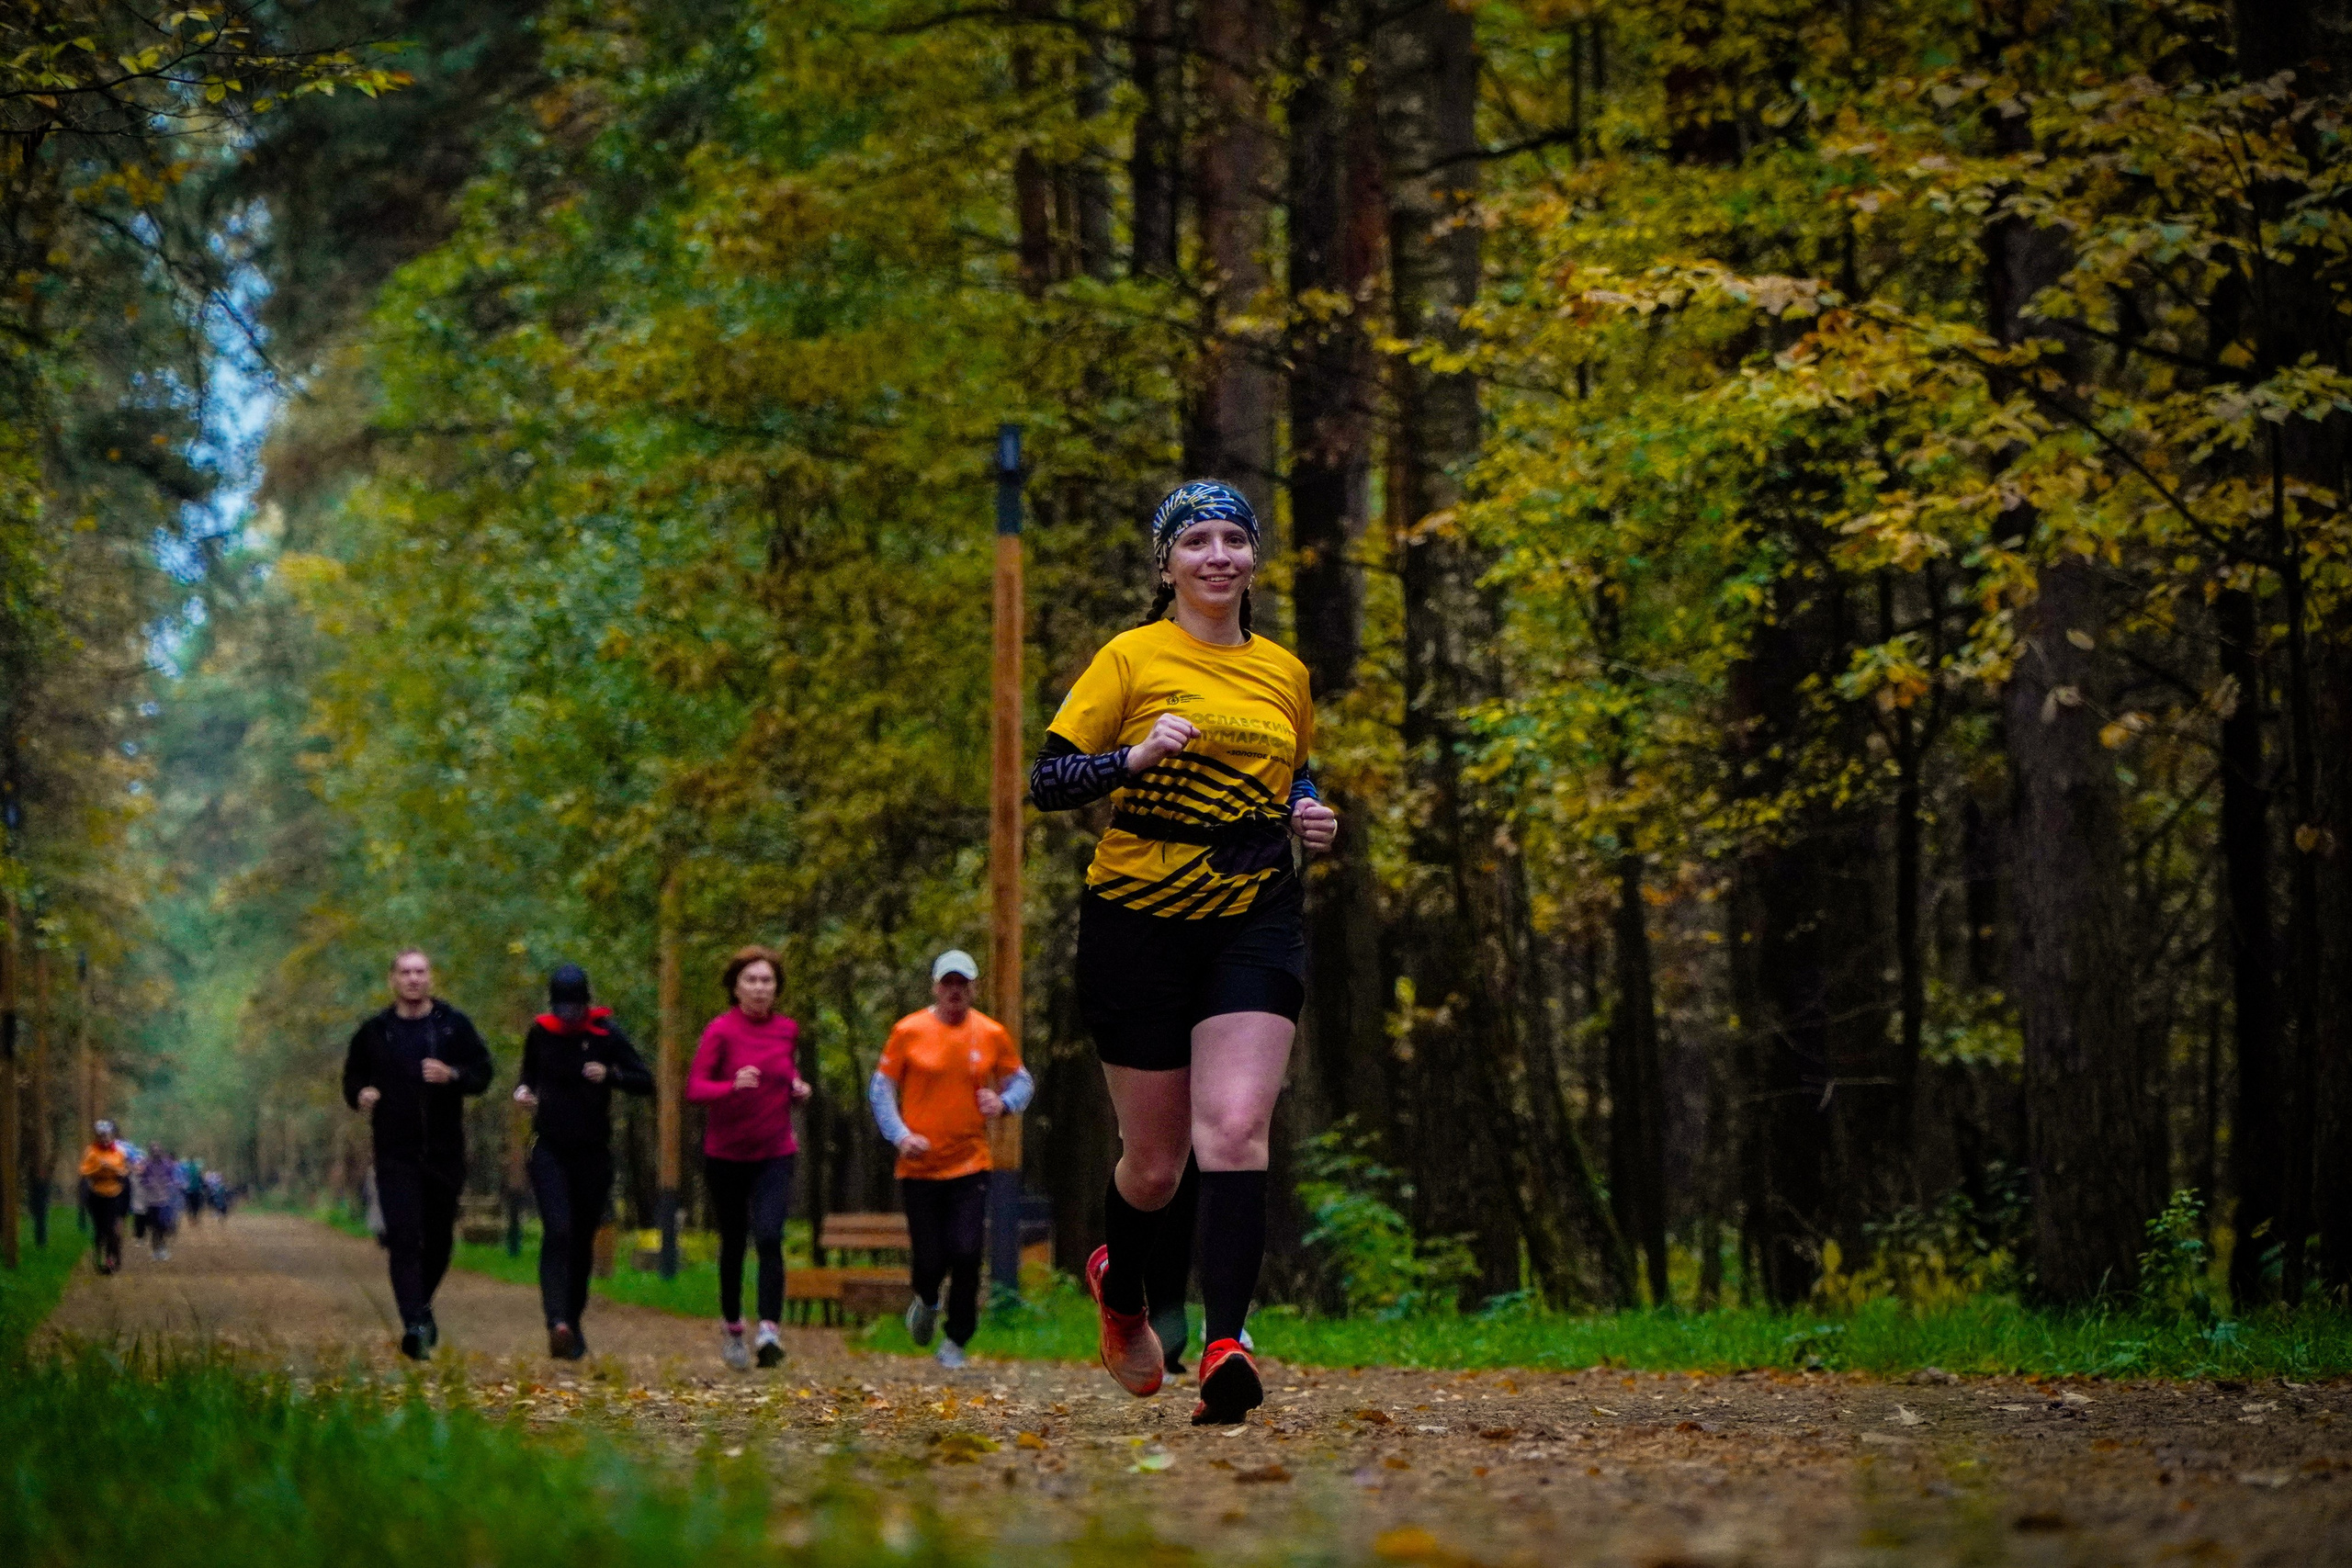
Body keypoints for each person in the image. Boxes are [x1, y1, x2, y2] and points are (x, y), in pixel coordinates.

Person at [1029, 479, 1340, 1426]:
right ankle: (1121, 1290)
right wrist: (1132, 759)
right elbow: (1050, 780)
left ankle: (1225, 1341)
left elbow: (1298, 769)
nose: (1216, 556)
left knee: (1237, 1129)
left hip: (1254, 913)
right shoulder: (1130, 657)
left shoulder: (1284, 670)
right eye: (1195, 540)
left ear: (1252, 560)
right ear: (1165, 566)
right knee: (1155, 1166)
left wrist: (1308, 811)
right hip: (1137, 920)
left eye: (1232, 540)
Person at [867, 949, 1032, 1370]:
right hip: (919, 1166)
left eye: (963, 984)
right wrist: (900, 1135)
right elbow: (881, 1089)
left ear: (974, 988)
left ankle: (957, 1337)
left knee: (966, 1251)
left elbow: (1022, 1081)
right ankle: (924, 1299)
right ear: (935, 987)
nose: (955, 991)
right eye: (948, 983)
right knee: (930, 1260)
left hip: (970, 1162)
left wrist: (1005, 1102)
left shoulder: (991, 1033)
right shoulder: (909, 1031)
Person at [342, 948, 494, 1360]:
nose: (413, 979)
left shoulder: (452, 1026)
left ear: (430, 978)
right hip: (395, 1155)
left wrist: (453, 1075)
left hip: (444, 1153)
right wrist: (362, 1093)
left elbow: (483, 1072)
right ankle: (414, 1324)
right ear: (392, 979)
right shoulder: (376, 1031)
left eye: (420, 972)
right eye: (405, 972)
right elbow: (352, 1077)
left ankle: (421, 1309)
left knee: (440, 1242)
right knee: (404, 1240)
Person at [514, 964, 653, 1359]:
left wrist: (609, 1074)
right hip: (549, 1149)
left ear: (586, 1003)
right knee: (558, 1230)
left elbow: (645, 1080)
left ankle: (571, 1324)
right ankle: (555, 1319)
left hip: (593, 1154)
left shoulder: (607, 1034)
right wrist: (523, 1092)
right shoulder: (541, 1033)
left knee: (580, 1240)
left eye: (575, 1008)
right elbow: (527, 1075)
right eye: (562, 1009)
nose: (569, 1017)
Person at [685, 944, 810, 1371]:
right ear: (736, 988)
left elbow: (784, 1070)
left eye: (767, 981)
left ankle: (770, 1331)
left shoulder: (787, 1030)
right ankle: (734, 1327)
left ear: (777, 989)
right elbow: (696, 1088)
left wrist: (797, 1086)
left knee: (771, 1236)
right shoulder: (720, 1031)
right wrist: (730, 1086)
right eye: (751, 980)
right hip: (726, 1154)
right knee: (735, 1241)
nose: (759, 988)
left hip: (775, 1150)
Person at [79, 1121, 130, 1274]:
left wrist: (111, 1167)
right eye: (101, 1136)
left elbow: (124, 1171)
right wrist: (98, 1167)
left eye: (107, 1136)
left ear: (112, 1136)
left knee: (111, 1229)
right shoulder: (91, 1151)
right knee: (99, 1229)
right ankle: (98, 1255)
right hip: (96, 1193)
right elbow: (84, 1171)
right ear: (97, 1136)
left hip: (114, 1193)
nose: (105, 1139)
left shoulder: (119, 1152)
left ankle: (111, 1259)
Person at [136, 1146, 181, 1260]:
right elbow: (142, 1179)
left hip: (164, 1200)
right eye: (154, 1152)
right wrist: (149, 1182)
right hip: (151, 1201)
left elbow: (172, 1179)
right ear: (151, 1153)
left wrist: (170, 1183)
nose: (156, 1154)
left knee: (163, 1226)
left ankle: (162, 1247)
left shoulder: (167, 1165)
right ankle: (156, 1250)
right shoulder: (147, 1165)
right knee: (154, 1227)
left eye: (158, 1152)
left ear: (161, 1153)